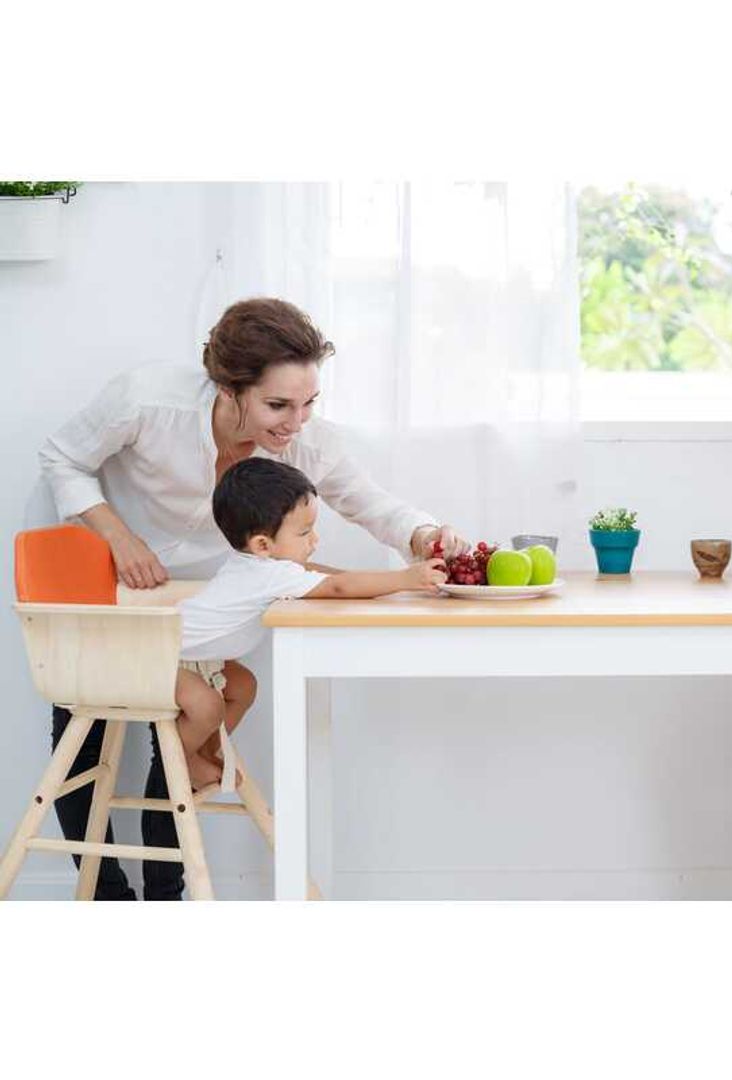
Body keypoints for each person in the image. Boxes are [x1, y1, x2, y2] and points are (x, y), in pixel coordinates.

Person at [40, 296, 468, 899]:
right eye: (277, 405)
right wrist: (119, 535)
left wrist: (425, 535)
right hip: (116, 592)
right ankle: (105, 896)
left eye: (309, 402)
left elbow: (372, 504)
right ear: (227, 386)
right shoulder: (145, 401)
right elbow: (62, 458)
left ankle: (165, 894)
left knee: (177, 746)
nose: (295, 423)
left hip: (206, 608)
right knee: (84, 736)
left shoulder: (306, 441)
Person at [175, 457, 447, 790]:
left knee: (243, 687)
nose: (313, 540)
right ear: (263, 544)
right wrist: (405, 579)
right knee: (208, 705)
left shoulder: (257, 565)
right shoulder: (270, 573)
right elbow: (337, 587)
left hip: (194, 657)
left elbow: (330, 579)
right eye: (304, 532)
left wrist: (373, 582)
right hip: (161, 656)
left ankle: (206, 749)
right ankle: (180, 760)